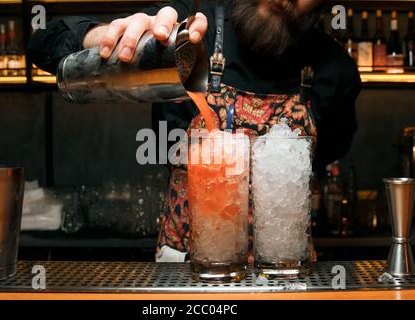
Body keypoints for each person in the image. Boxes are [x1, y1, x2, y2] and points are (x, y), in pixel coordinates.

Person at [28, 0, 361, 262]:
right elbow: (45, 41)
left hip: (286, 273)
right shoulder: (194, 27)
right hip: (184, 270)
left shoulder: (335, 71)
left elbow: (328, 157)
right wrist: (107, 39)